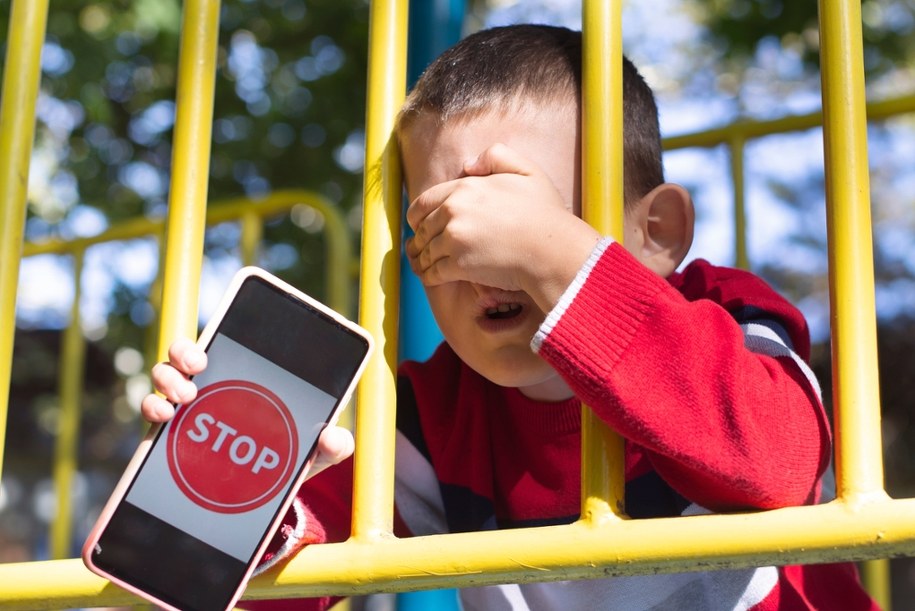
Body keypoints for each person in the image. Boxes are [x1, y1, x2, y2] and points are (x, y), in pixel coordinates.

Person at [144, 24, 878, 610]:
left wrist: (556, 258)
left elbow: (779, 466)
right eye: (442, 232)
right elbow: (266, 581)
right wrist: (227, 472)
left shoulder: (717, 311)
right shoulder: (433, 413)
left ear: (656, 231)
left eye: (518, 214)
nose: (481, 260)